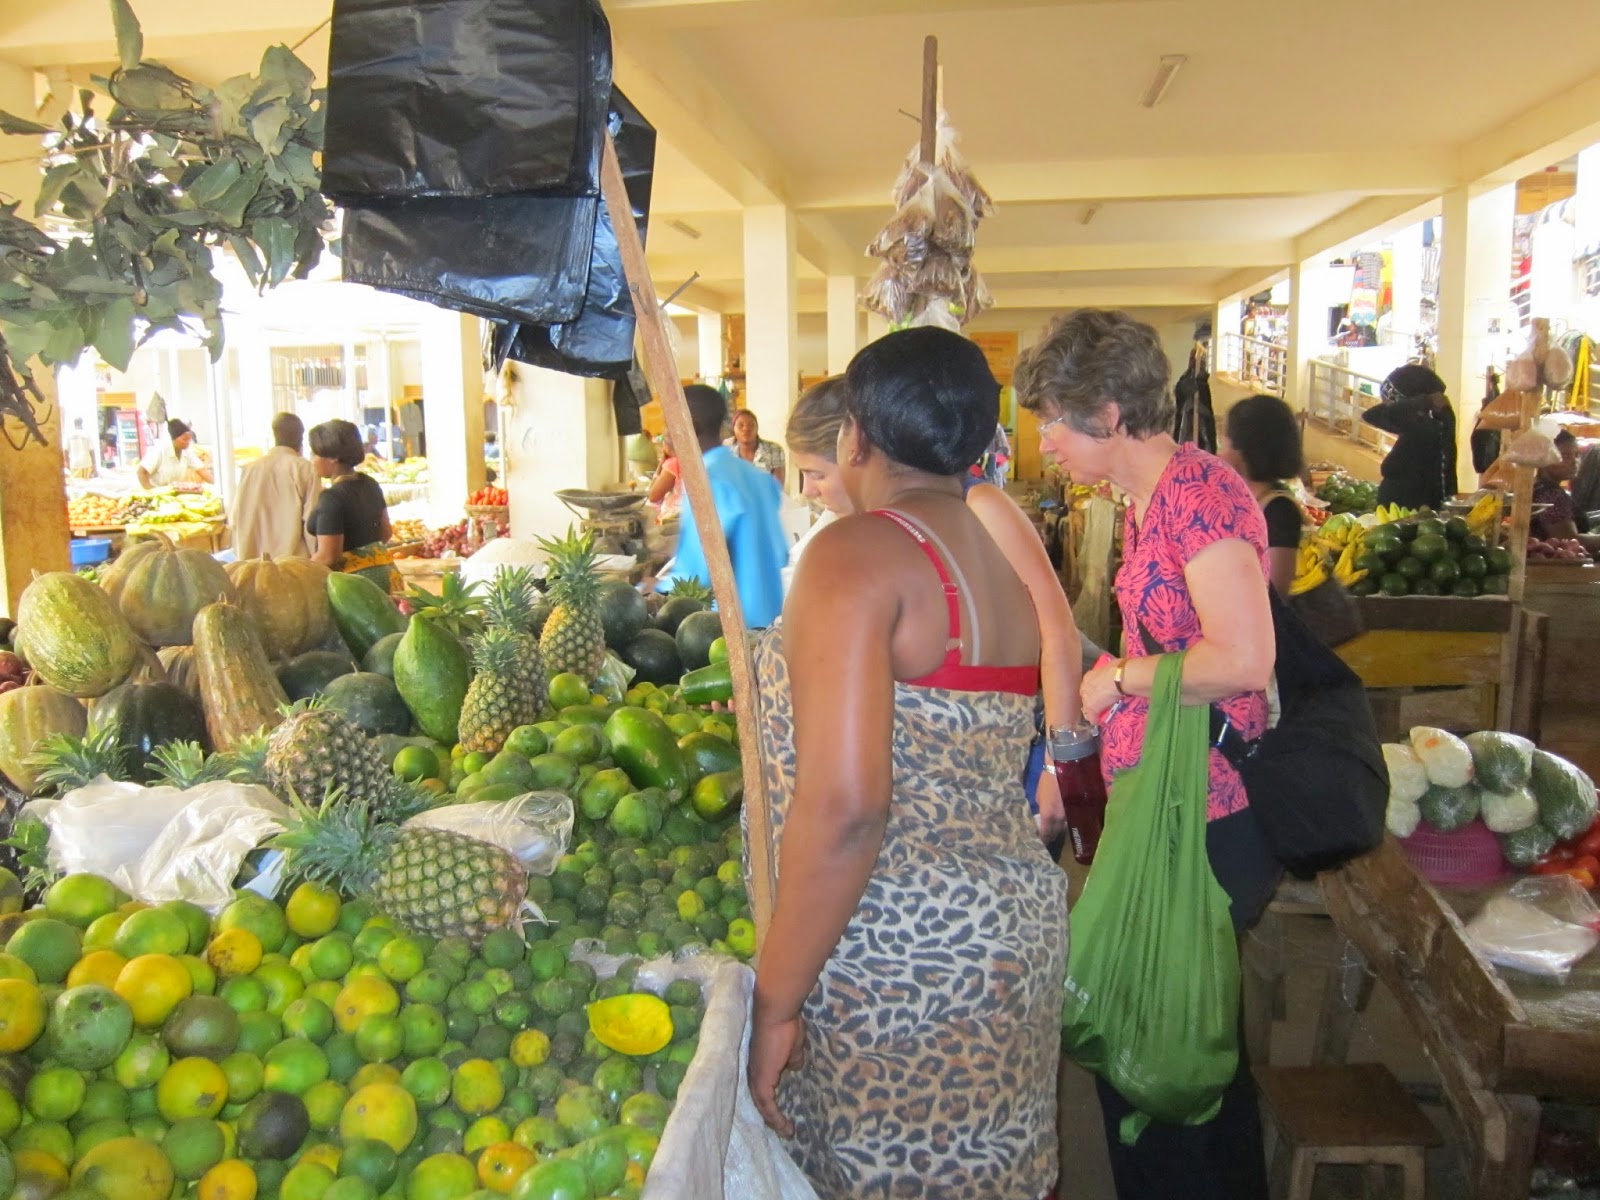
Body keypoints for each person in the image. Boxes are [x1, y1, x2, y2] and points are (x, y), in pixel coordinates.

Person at [748, 327, 1067, 1200]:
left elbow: (848, 809)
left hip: (897, 960)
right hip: (1010, 938)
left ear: (855, 434)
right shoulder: (997, 551)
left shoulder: (856, 555)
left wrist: (775, 1002)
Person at [1015, 308, 1277, 1200]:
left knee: (1166, 1054)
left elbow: (1244, 658)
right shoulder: (1149, 500)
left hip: (1202, 823)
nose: (1044, 438)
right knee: (1176, 1040)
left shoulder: (1199, 496)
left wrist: (1120, 678)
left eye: (1053, 416)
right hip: (1165, 810)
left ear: (1110, 414)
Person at [783, 373, 1078, 847]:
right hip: (914, 812)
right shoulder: (854, 535)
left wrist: (1059, 763)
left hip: (995, 784)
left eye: (816, 474)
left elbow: (1056, 629)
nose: (807, 491)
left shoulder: (976, 506)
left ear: (855, 449)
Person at [656, 386, 787, 627]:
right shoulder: (756, 477)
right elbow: (781, 553)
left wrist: (653, 587)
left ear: (689, 426)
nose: (664, 433)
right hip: (771, 625)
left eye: (668, 422)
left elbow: (697, 574)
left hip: (729, 632)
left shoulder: (706, 481)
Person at [1220, 393, 1306, 594]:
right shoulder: (1237, 500)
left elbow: (1274, 592)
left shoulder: (1279, 510)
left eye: (1224, 442)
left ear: (1243, 449)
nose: (1219, 453)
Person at [306, 419, 395, 590]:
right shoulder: (370, 484)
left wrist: (297, 572)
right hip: (384, 579)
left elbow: (328, 556)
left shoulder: (331, 498)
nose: (312, 460)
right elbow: (386, 532)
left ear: (333, 458)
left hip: (353, 588)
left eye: (315, 454)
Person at [1360, 363, 1457, 511]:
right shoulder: (1423, 422)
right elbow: (1371, 415)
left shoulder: (1425, 428)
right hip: (1401, 514)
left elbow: (1376, 415)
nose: (1385, 404)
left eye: (1388, 400)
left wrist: (1423, 401)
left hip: (1410, 515)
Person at [231, 412, 320, 560]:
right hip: (292, 564)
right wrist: (317, 562)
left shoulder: (249, 469)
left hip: (253, 564)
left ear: (275, 435)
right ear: (301, 437)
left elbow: (236, 517)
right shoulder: (306, 469)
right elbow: (311, 523)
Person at [1532, 429, 1600, 552]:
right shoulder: (1551, 496)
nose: (1575, 461)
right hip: (1551, 567)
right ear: (1545, 458)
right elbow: (1567, 539)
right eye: (1565, 455)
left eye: (1577, 454)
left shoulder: (1539, 487)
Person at [137, 418, 212, 489]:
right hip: (156, 491)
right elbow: (141, 472)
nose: (188, 443)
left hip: (172, 492)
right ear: (174, 439)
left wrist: (217, 485)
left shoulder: (187, 452)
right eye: (184, 439)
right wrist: (151, 492)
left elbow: (201, 470)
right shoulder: (160, 450)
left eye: (189, 440)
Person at [725, 407, 786, 485]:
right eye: (740, 425)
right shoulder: (727, 453)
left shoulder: (774, 450)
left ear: (757, 428)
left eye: (751, 425)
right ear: (733, 429)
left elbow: (777, 488)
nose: (746, 429)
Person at [645, 433, 683, 523]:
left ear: (667, 446)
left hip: (673, 518)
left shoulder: (674, 463)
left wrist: (662, 462)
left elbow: (652, 497)